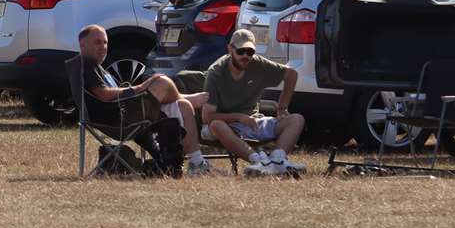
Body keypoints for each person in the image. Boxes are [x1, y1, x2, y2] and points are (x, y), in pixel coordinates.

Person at [77, 25, 213, 177]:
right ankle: (184, 97)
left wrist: (136, 90)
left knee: (183, 106)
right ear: (83, 45)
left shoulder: (95, 67)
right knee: (161, 81)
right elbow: (104, 95)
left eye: (105, 42)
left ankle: (197, 163)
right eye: (97, 42)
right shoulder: (86, 65)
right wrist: (138, 89)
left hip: (126, 114)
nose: (103, 47)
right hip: (120, 120)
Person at [201, 28, 306, 176]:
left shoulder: (258, 64)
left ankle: (277, 161)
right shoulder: (216, 72)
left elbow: (291, 74)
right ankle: (258, 162)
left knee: (296, 119)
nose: (245, 56)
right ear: (230, 49)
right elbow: (207, 117)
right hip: (225, 125)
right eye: (241, 51)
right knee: (216, 125)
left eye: (250, 52)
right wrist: (239, 117)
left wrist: (282, 107)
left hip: (253, 122)